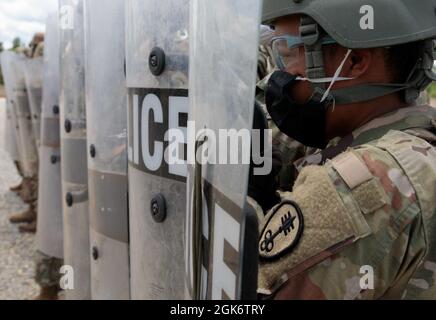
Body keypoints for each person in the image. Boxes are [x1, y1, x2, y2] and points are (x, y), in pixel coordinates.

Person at [252, 0, 436, 300]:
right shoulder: (415, 139)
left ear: (354, 62)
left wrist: (251, 209)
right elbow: (289, 145)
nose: (280, 76)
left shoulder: (361, 184)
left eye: (286, 53)